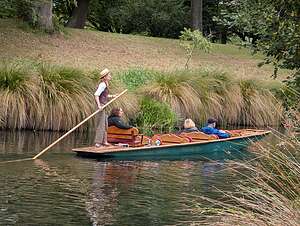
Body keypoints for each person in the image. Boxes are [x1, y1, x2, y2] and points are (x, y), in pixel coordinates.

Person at [94, 68, 117, 148]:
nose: (110, 76)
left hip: (105, 106)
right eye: (109, 75)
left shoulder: (106, 84)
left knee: (105, 124)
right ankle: (98, 143)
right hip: (101, 106)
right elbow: (96, 95)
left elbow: (104, 95)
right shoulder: (102, 84)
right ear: (105, 77)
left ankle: (104, 141)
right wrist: (99, 105)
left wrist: (112, 96)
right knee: (101, 125)